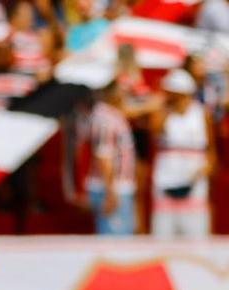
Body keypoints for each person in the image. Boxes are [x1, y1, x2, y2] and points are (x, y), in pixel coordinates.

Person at [151, 68, 215, 239]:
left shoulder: (202, 114)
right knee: (164, 232)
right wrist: (165, 107)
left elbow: (211, 152)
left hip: (194, 182)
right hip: (166, 181)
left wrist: (205, 169)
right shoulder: (163, 113)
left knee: (195, 233)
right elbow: (155, 129)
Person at [87, 82, 137, 236]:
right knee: (116, 245)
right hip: (113, 189)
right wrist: (110, 193)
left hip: (116, 187)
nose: (125, 94)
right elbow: (104, 156)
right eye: (122, 90)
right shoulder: (105, 119)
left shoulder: (110, 114)